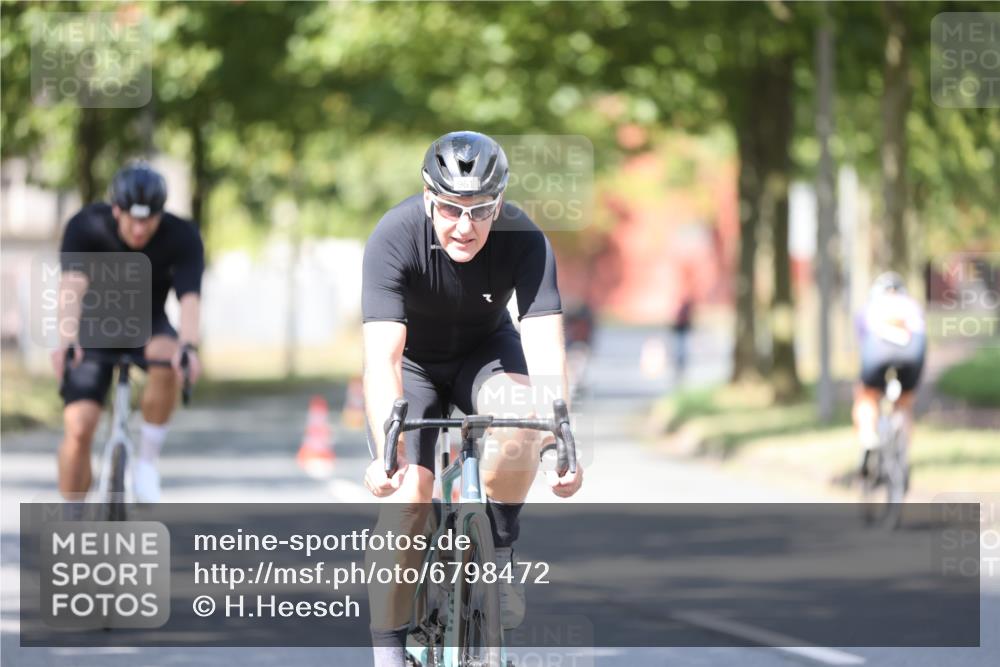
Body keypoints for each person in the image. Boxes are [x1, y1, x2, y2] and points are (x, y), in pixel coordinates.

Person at [361, 131, 584, 666]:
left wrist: (560, 440)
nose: (465, 226)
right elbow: (383, 360)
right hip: (414, 365)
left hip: (485, 352)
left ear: (499, 202)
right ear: (427, 196)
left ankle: (500, 549)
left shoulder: (526, 240)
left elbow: (546, 351)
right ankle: (389, 653)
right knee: (409, 501)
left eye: (481, 210)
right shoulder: (394, 235)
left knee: (522, 421)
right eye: (450, 209)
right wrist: (385, 453)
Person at [52, 161, 204, 505]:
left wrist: (189, 347)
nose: (140, 228)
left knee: (170, 358)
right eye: (133, 219)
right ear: (116, 209)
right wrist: (66, 341)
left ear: (160, 214)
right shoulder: (86, 225)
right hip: (94, 327)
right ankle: (73, 511)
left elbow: (190, 299)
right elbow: (71, 288)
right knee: (79, 428)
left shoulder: (182, 235)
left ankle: (147, 461)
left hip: (149, 324)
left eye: (149, 219)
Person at [852, 271, 927, 479]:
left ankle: (868, 438)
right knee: (904, 403)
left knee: (866, 394)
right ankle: (903, 452)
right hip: (913, 351)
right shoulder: (912, 305)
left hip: (878, 350)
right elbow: (923, 334)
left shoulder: (870, 307)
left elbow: (861, 341)